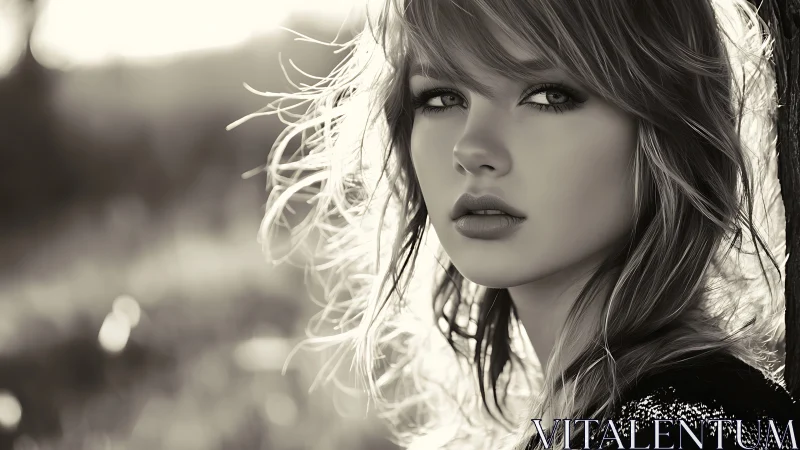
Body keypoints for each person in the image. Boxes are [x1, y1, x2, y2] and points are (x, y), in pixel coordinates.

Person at [229, 0, 799, 448]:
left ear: (665, 126)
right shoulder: (601, 419)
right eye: (442, 97)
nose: (473, 148)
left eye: (548, 95)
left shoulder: (688, 429)